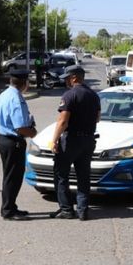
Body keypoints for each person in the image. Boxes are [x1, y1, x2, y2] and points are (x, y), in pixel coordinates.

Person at [49, 65, 101, 221]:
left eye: (67, 78)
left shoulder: (70, 95)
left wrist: (54, 140)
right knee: (83, 176)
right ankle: (83, 210)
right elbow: (98, 118)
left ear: (74, 78)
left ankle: (66, 209)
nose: (65, 81)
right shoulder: (94, 95)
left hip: (71, 140)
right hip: (88, 140)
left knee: (61, 174)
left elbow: (63, 121)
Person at [0, 69, 37, 220]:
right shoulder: (16, 99)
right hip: (13, 142)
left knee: (9, 176)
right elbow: (21, 127)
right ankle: (8, 211)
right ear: (24, 83)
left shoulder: (4, 94)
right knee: (13, 177)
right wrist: (33, 133)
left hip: (4, 139)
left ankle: (10, 206)